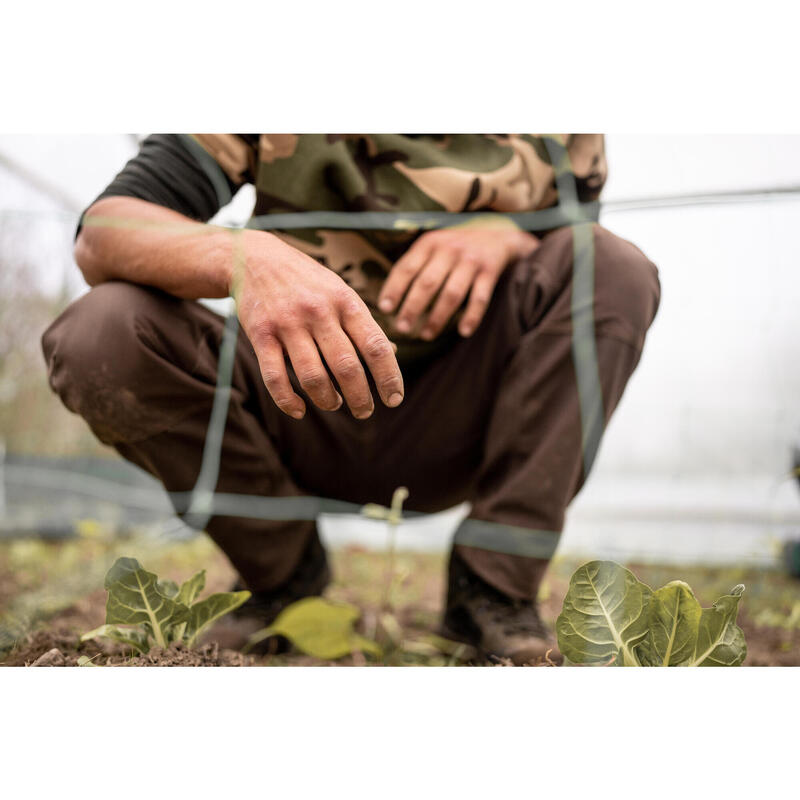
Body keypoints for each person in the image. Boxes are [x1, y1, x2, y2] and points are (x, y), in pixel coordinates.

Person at [41, 134, 660, 663]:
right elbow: (104, 231)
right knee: (103, 332)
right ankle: (284, 576)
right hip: (287, 406)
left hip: (464, 416)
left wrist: (507, 235)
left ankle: (492, 589)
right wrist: (244, 257)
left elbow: (582, 251)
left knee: (613, 267)